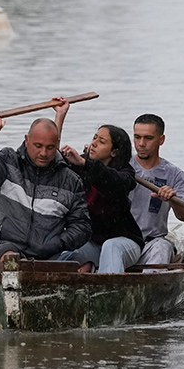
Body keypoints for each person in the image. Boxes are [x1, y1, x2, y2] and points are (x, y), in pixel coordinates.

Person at [0, 115, 90, 261]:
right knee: (11, 258)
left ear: (57, 144)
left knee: (84, 264)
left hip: (51, 255)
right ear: (27, 140)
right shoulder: (9, 162)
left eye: (50, 148)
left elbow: (82, 227)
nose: (43, 153)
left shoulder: (71, 181)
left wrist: (57, 243)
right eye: (38, 146)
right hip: (8, 247)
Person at [51, 99, 145, 273]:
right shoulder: (81, 167)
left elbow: (112, 181)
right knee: (57, 250)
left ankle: (109, 292)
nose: (93, 143)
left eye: (101, 141)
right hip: (92, 244)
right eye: (94, 138)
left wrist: (84, 163)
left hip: (125, 243)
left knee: (111, 247)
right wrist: (60, 115)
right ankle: (89, 267)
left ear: (114, 152)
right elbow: (52, 157)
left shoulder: (126, 174)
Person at [128, 114, 184, 268]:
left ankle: (152, 285)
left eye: (148, 138)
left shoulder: (174, 174)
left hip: (153, 243)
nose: (141, 144)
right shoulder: (122, 167)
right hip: (123, 241)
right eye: (137, 137)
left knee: (162, 247)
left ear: (161, 140)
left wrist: (173, 200)